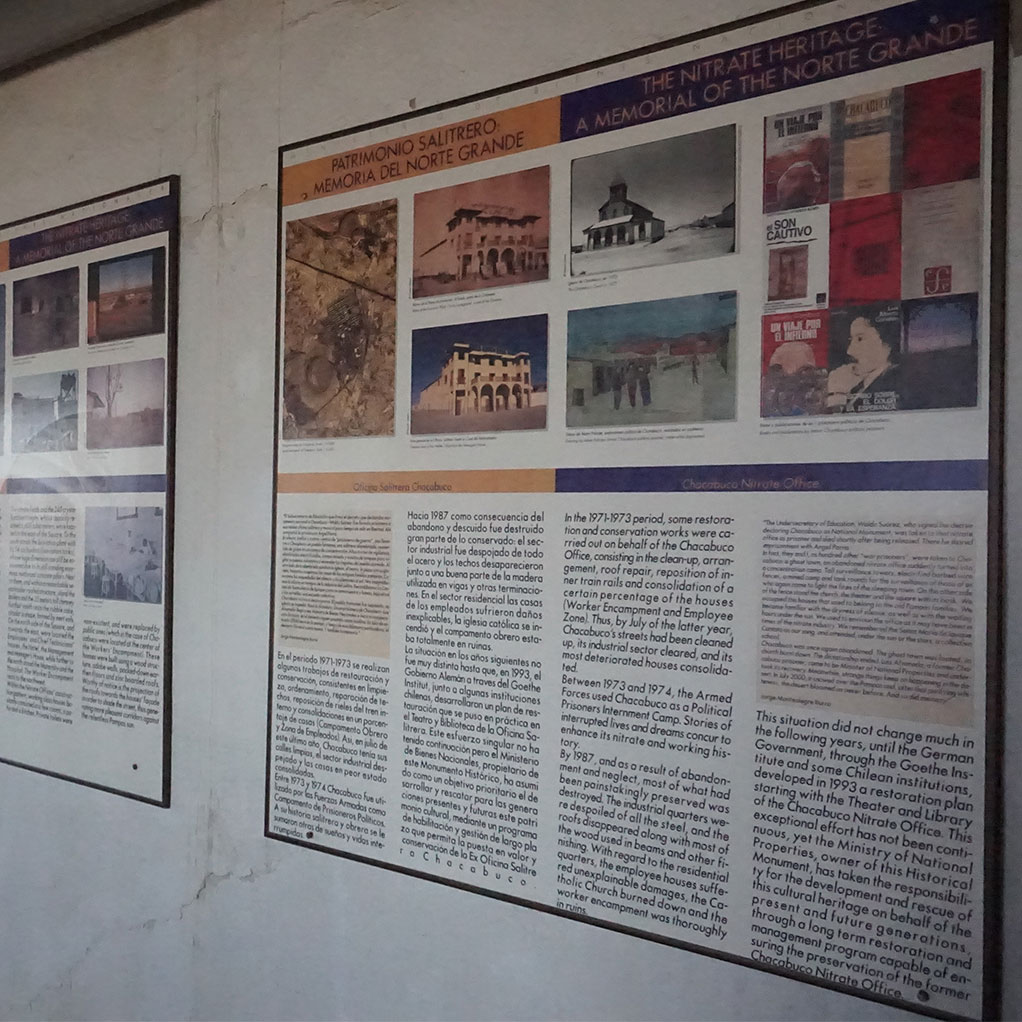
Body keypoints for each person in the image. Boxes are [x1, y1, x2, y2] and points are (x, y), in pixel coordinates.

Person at [826, 310, 902, 412]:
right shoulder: (857, 386)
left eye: (860, 339)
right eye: (851, 340)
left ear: (886, 340)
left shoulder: (896, 385)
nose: (850, 351)